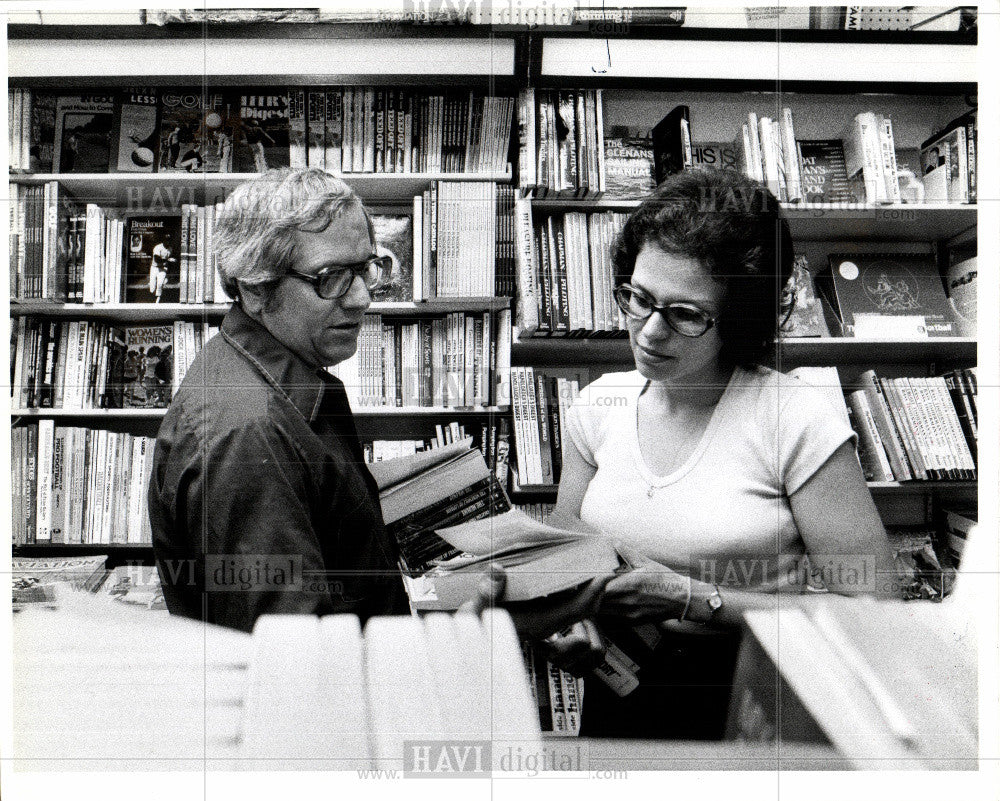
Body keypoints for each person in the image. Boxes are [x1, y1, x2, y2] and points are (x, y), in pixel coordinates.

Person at [148, 168, 607, 658]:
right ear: (256, 289)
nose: (363, 297)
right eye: (330, 278)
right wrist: (475, 633)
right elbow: (303, 667)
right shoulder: (249, 434)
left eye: (367, 268)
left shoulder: (280, 383)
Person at [552, 168, 895, 739]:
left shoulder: (796, 419)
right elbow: (567, 549)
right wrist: (570, 615)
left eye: (684, 314)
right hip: (618, 695)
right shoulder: (599, 405)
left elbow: (872, 606)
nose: (648, 332)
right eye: (637, 298)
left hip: (752, 700)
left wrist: (695, 598)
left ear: (740, 318)